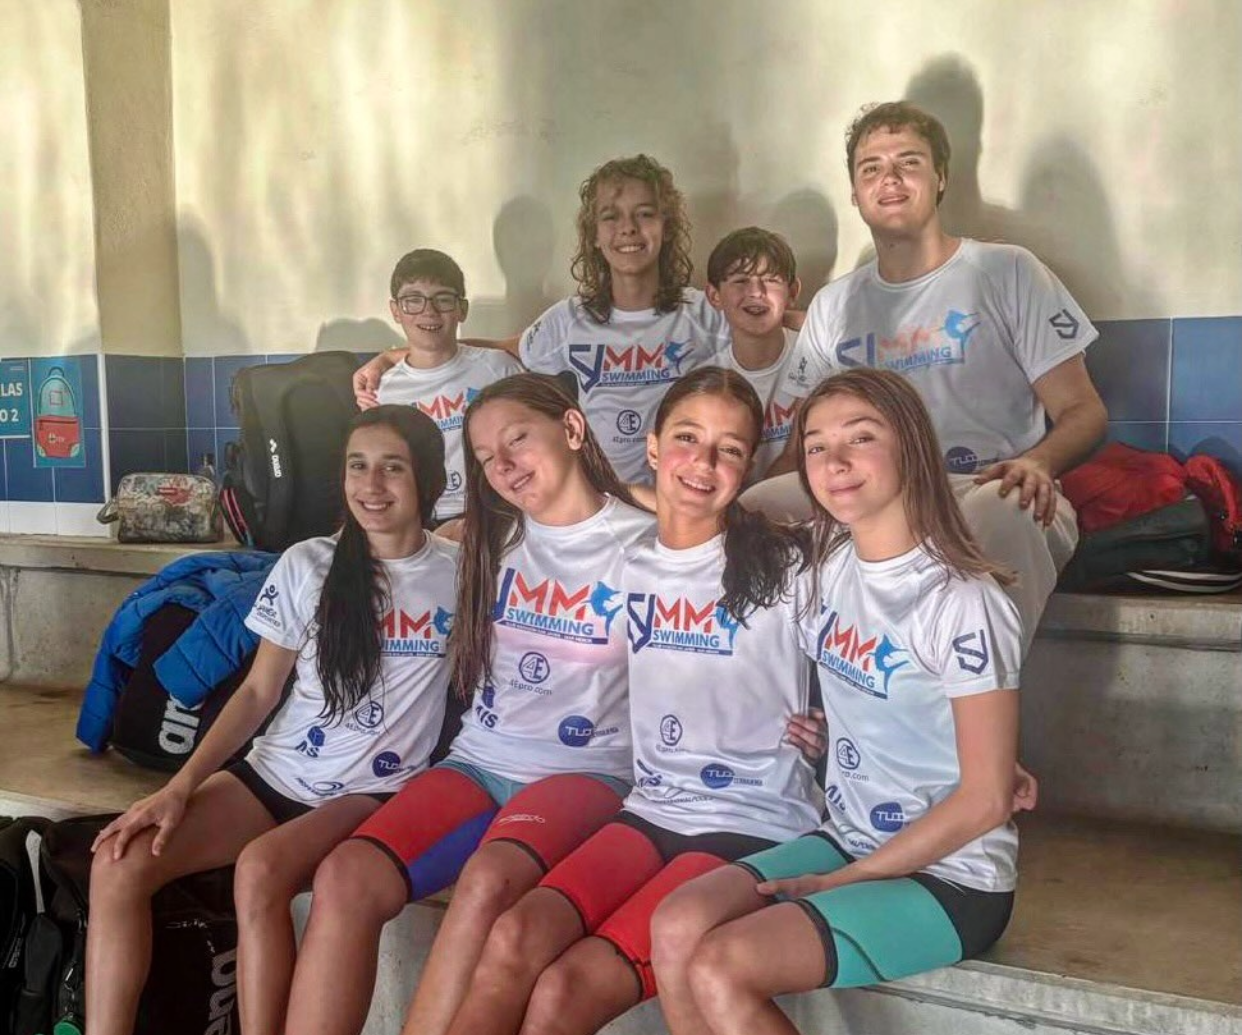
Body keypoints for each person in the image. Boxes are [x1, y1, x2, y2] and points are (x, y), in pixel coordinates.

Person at [437, 367, 825, 1035]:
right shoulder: (630, 562)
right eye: (687, 438)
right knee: (516, 938)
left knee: (563, 991)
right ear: (652, 447)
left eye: (730, 448)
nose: (703, 462)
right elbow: (561, 535)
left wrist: (836, 725)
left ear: (748, 466)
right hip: (651, 808)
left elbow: (880, 637)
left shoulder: (789, 563)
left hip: (751, 818)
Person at [650, 368, 1023, 1035]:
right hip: (850, 836)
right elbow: (697, 524)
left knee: (721, 966)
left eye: (861, 437)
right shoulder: (827, 566)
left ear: (910, 446)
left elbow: (987, 800)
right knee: (677, 924)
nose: (835, 461)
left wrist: (846, 879)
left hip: (952, 876)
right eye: (816, 445)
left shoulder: (963, 602)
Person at [280, 373, 655, 1035]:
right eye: (485, 455)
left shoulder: (648, 544)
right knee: (345, 874)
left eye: (518, 439)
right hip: (476, 763)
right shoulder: (488, 539)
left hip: (583, 771)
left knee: (486, 879)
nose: (503, 464)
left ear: (572, 429)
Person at [84, 406, 457, 1035]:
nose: (371, 485)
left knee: (260, 869)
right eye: (357, 466)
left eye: (392, 468)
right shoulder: (308, 563)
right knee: (118, 863)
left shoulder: (459, 574)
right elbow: (259, 692)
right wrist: (179, 787)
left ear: (428, 478)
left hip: (372, 789)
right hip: (275, 773)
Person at [744, 101, 1107, 647]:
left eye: (907, 162)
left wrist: (1038, 462)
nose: (889, 179)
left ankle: (970, 689)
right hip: (873, 490)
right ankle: (798, 692)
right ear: (855, 192)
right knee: (753, 512)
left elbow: (1083, 411)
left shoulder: (1008, 271)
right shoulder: (834, 304)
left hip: (984, 482)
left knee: (1004, 511)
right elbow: (802, 448)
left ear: (940, 177)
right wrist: (744, 494)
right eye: (871, 168)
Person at [354, 155, 738, 485]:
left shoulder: (704, 312)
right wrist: (394, 356)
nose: (628, 228)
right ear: (594, 236)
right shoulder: (568, 320)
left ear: (666, 227)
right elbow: (504, 348)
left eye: (645, 214)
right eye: (611, 216)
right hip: (600, 497)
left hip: (683, 491)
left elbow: (765, 338)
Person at [358, 248, 522, 523]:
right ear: (395, 311)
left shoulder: (498, 368)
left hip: (497, 511)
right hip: (421, 520)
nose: (429, 311)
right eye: (413, 300)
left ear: (462, 310)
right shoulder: (382, 392)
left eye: (443, 299)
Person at [704, 227, 804, 482]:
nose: (756, 292)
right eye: (740, 281)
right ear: (714, 296)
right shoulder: (705, 381)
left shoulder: (818, 359)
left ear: (792, 293)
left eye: (771, 280)